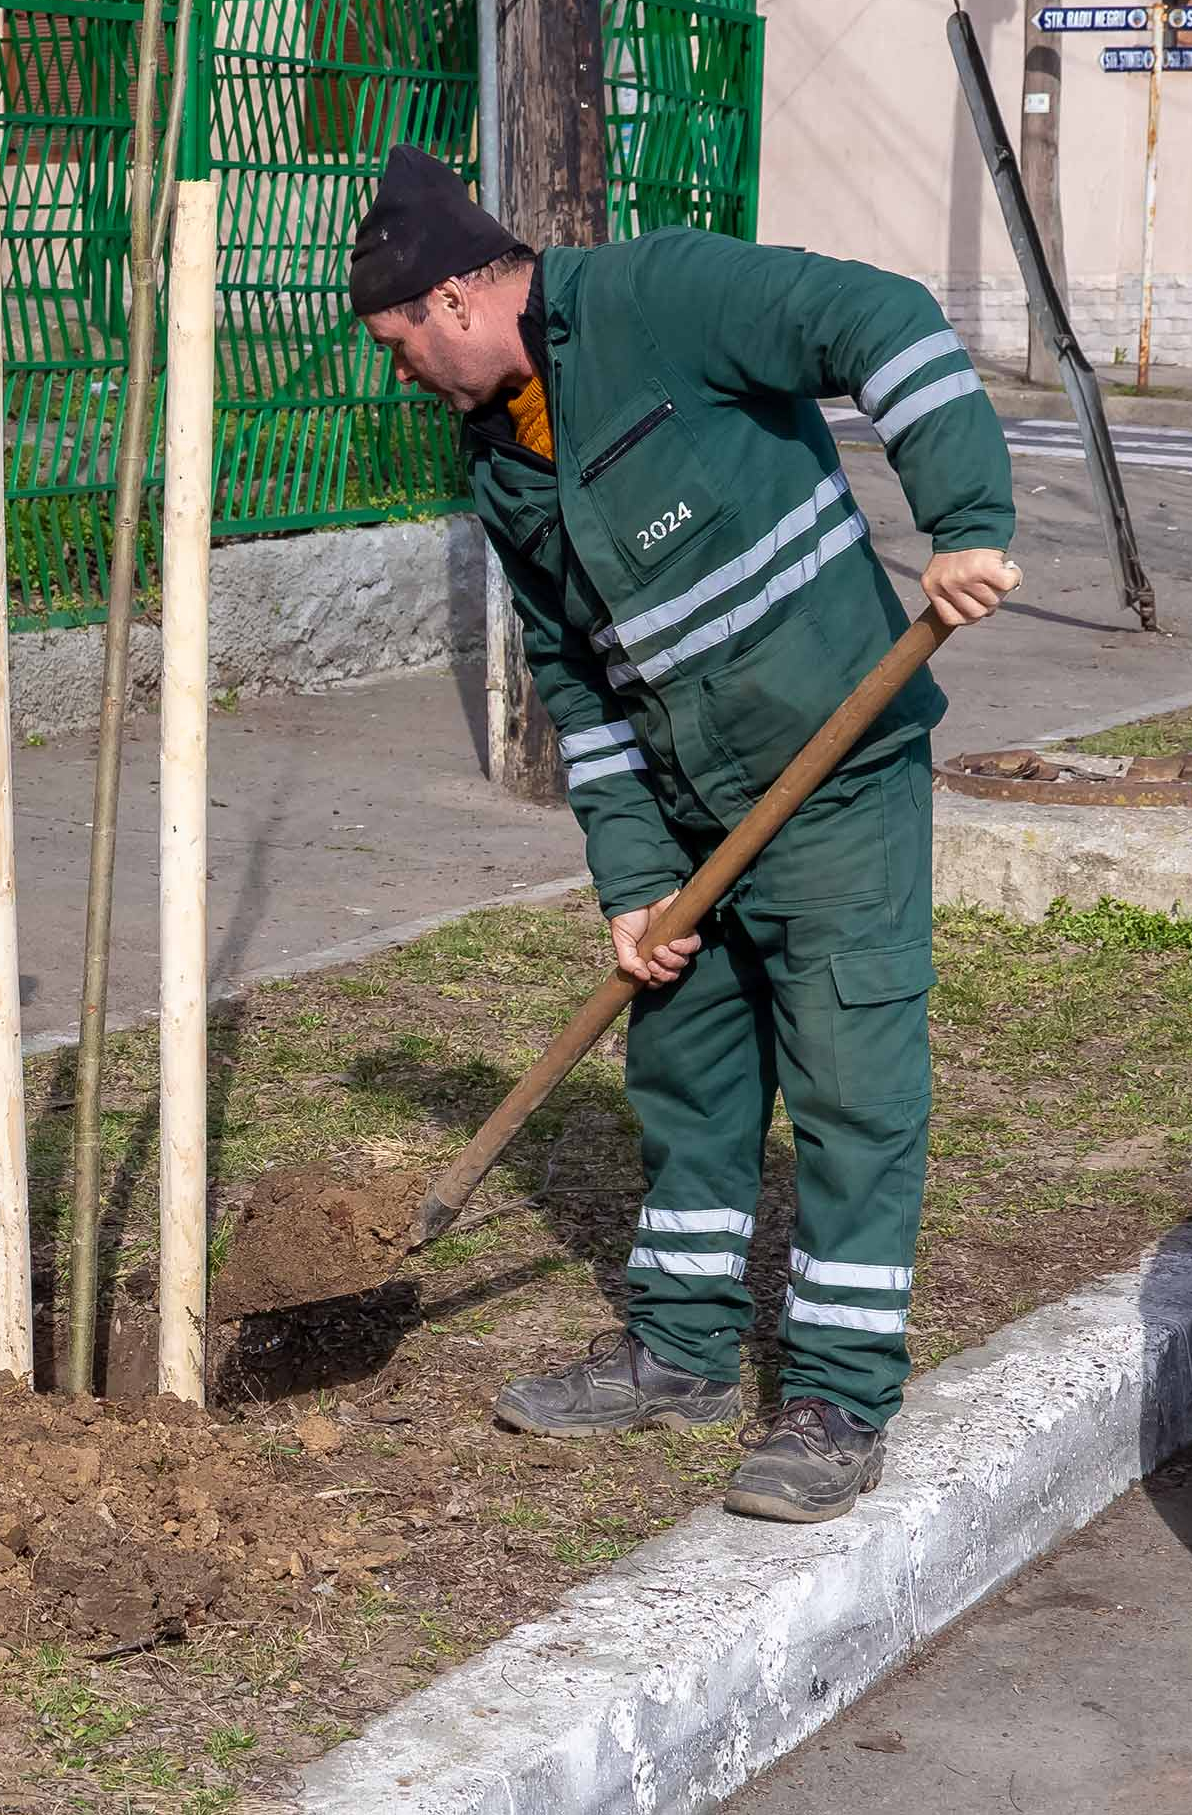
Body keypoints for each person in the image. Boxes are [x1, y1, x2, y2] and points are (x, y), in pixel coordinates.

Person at [348, 144, 1020, 1522]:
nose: (400, 374)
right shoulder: (497, 459)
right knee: (690, 1073)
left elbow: (885, 317)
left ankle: (835, 1394)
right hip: (683, 805)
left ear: (462, 300)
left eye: (400, 344)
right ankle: (680, 1347)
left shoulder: (665, 294)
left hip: (835, 772)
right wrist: (633, 881)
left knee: (849, 1083)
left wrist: (964, 520)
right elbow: (575, 687)